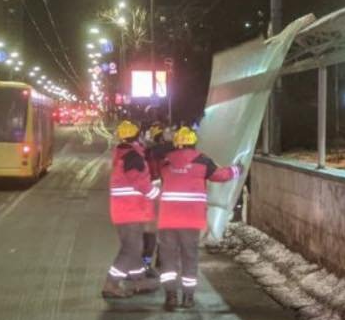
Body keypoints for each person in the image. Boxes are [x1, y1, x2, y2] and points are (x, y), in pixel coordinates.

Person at [157, 126, 241, 310]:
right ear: (194, 142)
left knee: (168, 258)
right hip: (191, 220)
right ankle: (188, 298)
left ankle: (170, 296)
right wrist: (236, 170)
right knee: (190, 257)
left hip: (168, 219)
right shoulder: (202, 161)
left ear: (177, 143)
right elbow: (220, 175)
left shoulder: (165, 162)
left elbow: (164, 177)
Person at [103, 120, 161, 299]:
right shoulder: (132, 157)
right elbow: (139, 182)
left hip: (125, 210)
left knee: (134, 247)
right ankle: (111, 284)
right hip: (129, 211)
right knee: (131, 249)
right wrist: (157, 194)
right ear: (137, 136)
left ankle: (140, 281)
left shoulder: (124, 154)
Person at [140, 122, 171, 276]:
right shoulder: (169, 154)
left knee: (149, 235)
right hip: (163, 196)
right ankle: (161, 261)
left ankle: (145, 264)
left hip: (150, 198)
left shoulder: (145, 153)